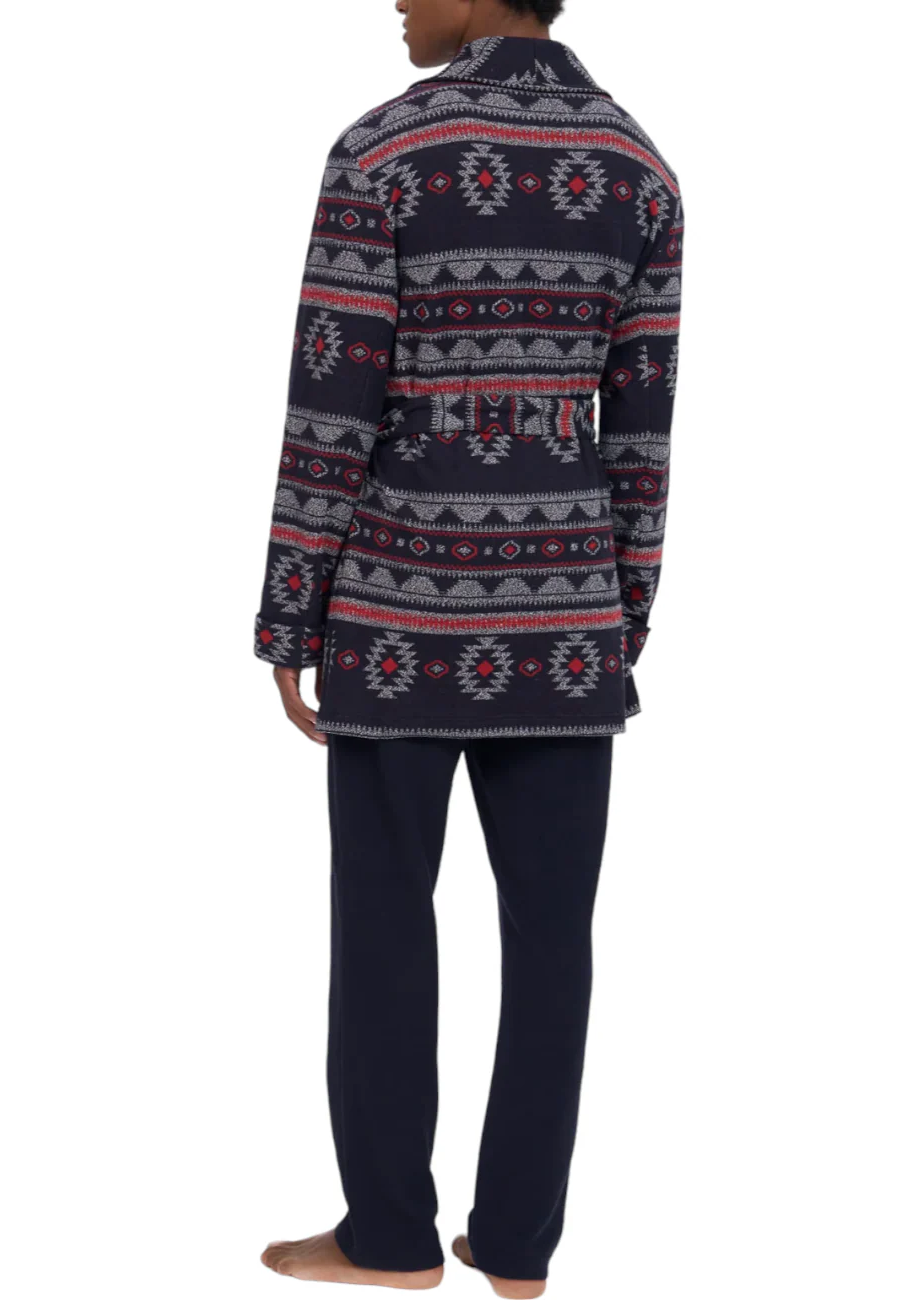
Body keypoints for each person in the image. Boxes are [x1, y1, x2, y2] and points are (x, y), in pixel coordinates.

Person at [255, 0, 682, 1293]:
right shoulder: (640, 167)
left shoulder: (383, 151)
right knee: (555, 944)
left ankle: (389, 1239)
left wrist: (289, 612)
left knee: (385, 925)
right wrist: (620, 619)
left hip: (398, 617)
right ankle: (518, 1249)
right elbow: (643, 432)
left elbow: (331, 404)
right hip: (568, 628)